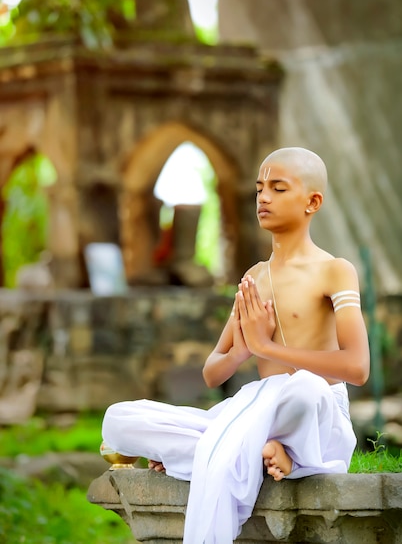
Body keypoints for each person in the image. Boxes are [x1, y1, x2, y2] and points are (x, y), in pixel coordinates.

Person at [101, 146, 370, 544]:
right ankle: (261, 453)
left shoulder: (335, 270)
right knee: (119, 419)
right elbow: (213, 372)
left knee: (305, 388)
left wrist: (267, 348)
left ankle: (250, 452)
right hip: (255, 410)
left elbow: (357, 368)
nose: (263, 197)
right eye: (260, 188)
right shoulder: (255, 276)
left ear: (312, 201)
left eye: (278, 188)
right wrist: (243, 351)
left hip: (313, 410)